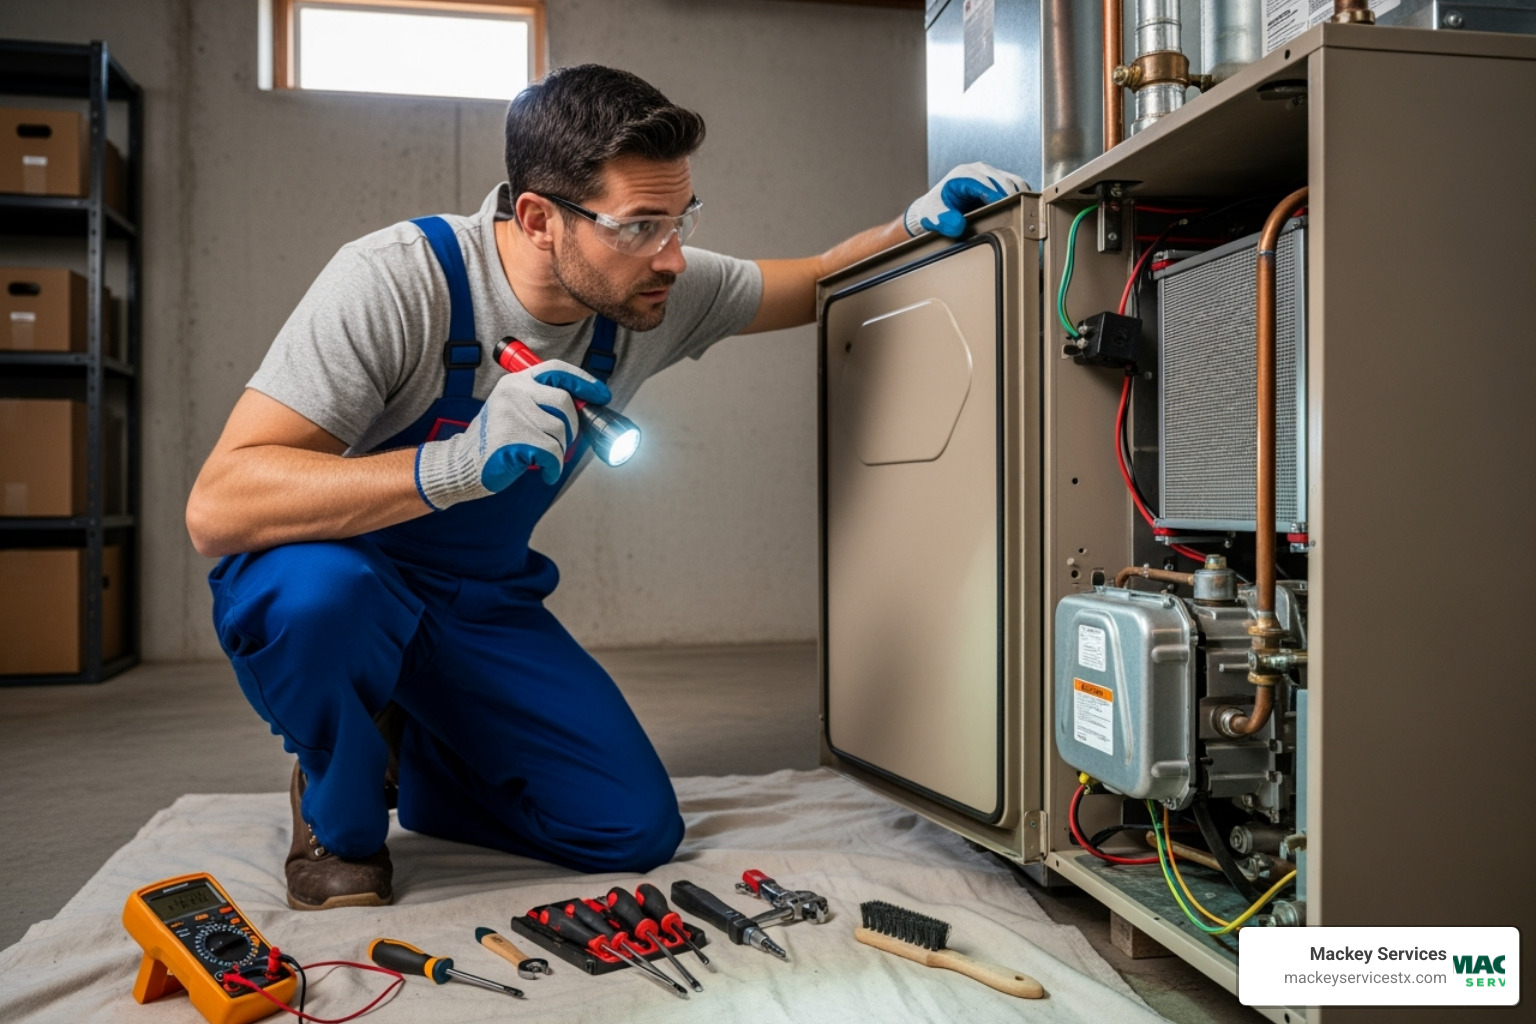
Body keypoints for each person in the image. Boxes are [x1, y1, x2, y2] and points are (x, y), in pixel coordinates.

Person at [186, 63, 1025, 911]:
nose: (673, 255)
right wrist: (454, 466)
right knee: (325, 599)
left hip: (471, 598)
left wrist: (913, 228)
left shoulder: (653, 289)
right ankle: (339, 802)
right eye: (639, 225)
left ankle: (422, 739)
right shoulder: (400, 281)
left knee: (628, 831)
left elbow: (812, 278)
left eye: (682, 217)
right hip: (335, 577)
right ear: (540, 218)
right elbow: (219, 505)